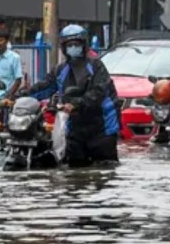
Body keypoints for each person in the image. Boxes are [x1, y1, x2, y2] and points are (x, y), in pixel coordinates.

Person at [22, 24, 120, 167]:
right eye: (70, 45)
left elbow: (98, 92)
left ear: (84, 44)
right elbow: (44, 87)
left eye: (77, 44)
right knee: (74, 169)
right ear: (64, 47)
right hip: (74, 127)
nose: (73, 47)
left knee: (105, 169)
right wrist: (21, 96)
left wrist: (75, 104)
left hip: (102, 127)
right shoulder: (60, 70)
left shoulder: (96, 66)